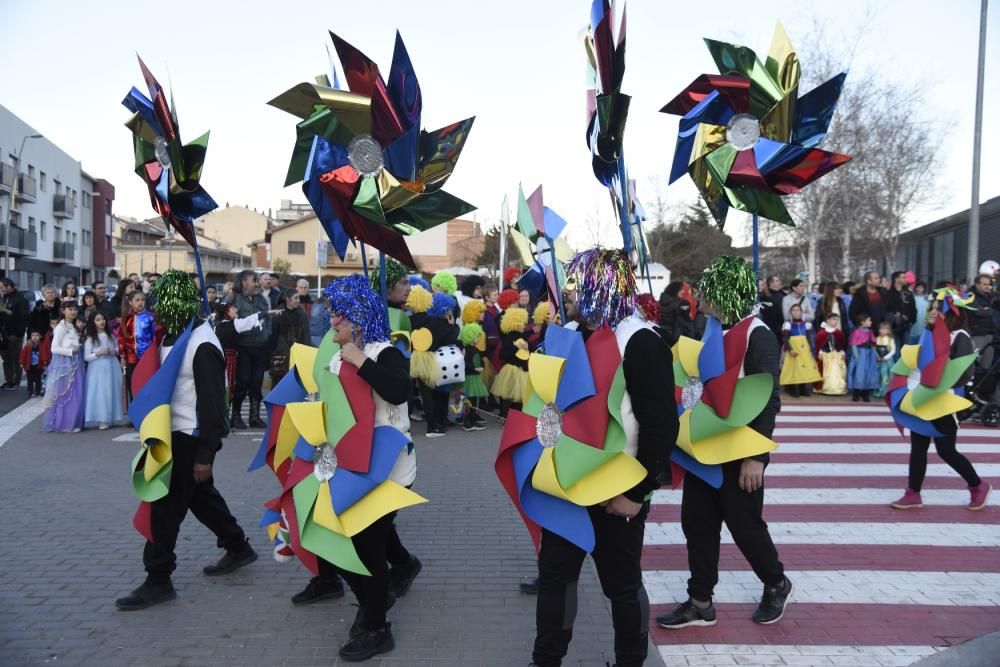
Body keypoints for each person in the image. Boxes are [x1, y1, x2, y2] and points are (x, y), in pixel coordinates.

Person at [531, 248, 677, 667]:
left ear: (603, 286)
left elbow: (661, 424)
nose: (570, 293)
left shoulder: (641, 340)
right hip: (570, 483)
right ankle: (545, 660)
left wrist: (638, 491)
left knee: (622, 586)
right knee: (556, 578)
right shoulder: (574, 334)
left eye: (578, 283)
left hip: (618, 491)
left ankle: (630, 661)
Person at [656, 255, 790, 633]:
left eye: (709, 291)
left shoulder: (757, 334)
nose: (701, 297)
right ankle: (700, 601)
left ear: (728, 293)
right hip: (706, 446)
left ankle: (776, 582)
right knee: (696, 523)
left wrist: (756, 457)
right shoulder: (713, 327)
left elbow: (767, 398)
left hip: (739, 448)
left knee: (745, 525)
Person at [116, 270, 256, 611]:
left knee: (163, 508)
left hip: (189, 436)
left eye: (161, 304)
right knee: (199, 497)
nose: (155, 311)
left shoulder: (202, 343)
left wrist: (206, 453)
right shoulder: (170, 335)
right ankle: (237, 545)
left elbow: (213, 403)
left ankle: (158, 578)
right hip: (169, 431)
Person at [302, 274, 419, 660]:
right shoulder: (335, 356)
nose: (331, 321)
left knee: (364, 546)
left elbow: (400, 391)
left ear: (357, 318)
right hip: (348, 466)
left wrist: (362, 360)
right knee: (343, 544)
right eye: (332, 314)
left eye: (338, 315)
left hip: (386, 469)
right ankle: (377, 599)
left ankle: (376, 625)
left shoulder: (385, 351)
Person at [892, 294, 992, 511]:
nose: (933, 312)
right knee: (918, 446)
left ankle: (978, 485)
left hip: (945, 399)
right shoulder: (928, 334)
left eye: (938, 308)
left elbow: (965, 372)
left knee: (946, 450)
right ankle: (913, 493)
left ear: (951, 311)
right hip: (922, 396)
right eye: (931, 308)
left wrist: (939, 382)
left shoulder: (960, 336)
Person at [230, 269, 273, 430]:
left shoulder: (261, 299)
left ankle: (254, 416)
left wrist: (266, 334)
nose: (256, 283)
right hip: (243, 347)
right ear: (244, 282)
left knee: (256, 382)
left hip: (260, 347)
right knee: (242, 382)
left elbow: (267, 318)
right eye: (253, 280)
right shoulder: (234, 299)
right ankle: (236, 416)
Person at [43, 299, 86, 432]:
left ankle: (74, 421)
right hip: (64, 364)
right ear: (63, 311)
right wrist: (71, 351)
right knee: (65, 393)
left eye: (74, 309)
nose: (73, 312)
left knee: (77, 392)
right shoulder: (60, 328)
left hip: (76, 363)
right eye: (70, 309)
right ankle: (65, 423)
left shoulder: (74, 326)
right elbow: (54, 348)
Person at [83, 312, 125, 430]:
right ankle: (102, 418)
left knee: (111, 390)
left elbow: (116, 348)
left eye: (102, 319)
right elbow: (86, 357)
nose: (101, 322)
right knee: (100, 392)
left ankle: (112, 416)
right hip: (98, 368)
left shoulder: (110, 335)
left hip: (111, 365)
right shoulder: (91, 338)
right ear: (93, 322)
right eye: (97, 320)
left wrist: (114, 352)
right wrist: (97, 353)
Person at [490, 305, 530, 416]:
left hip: (521, 370)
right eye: (521, 322)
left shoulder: (523, 337)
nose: (524, 325)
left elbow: (528, 352)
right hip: (510, 370)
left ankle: (516, 417)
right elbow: (503, 355)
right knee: (506, 395)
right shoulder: (508, 338)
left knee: (520, 397)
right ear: (515, 323)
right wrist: (516, 347)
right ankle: (504, 415)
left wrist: (528, 346)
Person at [117, 289, 155, 405]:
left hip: (147, 357)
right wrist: (123, 357)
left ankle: (148, 410)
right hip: (131, 357)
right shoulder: (127, 318)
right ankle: (135, 411)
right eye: (137, 300)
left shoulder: (151, 317)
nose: (140, 302)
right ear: (131, 302)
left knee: (147, 383)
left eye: (142, 300)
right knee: (132, 384)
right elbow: (121, 339)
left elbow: (155, 337)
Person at [269, 291, 310, 386]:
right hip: (280, 354)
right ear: (288, 299)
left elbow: (306, 334)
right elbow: (273, 335)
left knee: (294, 382)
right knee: (278, 381)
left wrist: (306, 351)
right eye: (296, 298)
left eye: (298, 298)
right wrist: (271, 353)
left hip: (297, 352)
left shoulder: (301, 313)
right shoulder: (278, 313)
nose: (298, 301)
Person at [779, 303, 820, 397]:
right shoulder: (787, 324)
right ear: (790, 313)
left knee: (804, 368)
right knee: (794, 368)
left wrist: (810, 348)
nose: (796, 312)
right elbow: (785, 338)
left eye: (798, 310)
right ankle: (793, 389)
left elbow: (809, 338)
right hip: (794, 348)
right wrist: (790, 349)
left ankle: (803, 388)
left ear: (801, 312)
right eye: (794, 310)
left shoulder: (806, 324)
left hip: (804, 349)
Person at [0, 277, 29, 389]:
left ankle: (16, 381)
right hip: (3, 334)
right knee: (6, 359)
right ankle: (8, 381)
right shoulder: (3, 298)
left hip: (15, 334)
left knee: (16, 359)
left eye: (2, 287)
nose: (0, 289)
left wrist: (18, 334)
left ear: (9, 286)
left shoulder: (20, 299)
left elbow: (23, 318)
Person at [459, 322, 488, 431]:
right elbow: (466, 363)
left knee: (473, 400)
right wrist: (475, 368)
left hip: (474, 377)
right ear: (470, 337)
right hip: (470, 377)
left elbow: (479, 360)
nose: (478, 338)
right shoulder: (468, 349)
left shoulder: (474, 349)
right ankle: (467, 421)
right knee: (469, 400)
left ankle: (471, 419)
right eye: (476, 336)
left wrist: (482, 367)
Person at [847, 313, 879, 402]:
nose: (871, 322)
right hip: (861, 355)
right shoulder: (857, 332)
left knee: (868, 373)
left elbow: (873, 345)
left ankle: (865, 393)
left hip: (869, 355)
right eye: (869, 320)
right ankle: (856, 393)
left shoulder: (870, 332)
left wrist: (876, 355)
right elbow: (853, 345)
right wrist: (857, 357)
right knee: (859, 374)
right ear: (862, 322)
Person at [814, 312, 847, 396]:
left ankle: (836, 388)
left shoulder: (838, 333)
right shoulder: (822, 333)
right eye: (833, 319)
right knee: (826, 372)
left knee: (836, 372)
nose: (835, 322)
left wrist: (842, 351)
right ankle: (826, 388)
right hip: (826, 356)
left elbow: (841, 344)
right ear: (828, 320)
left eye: (836, 320)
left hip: (836, 356)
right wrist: (820, 352)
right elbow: (819, 344)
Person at [884, 271, 916, 353]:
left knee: (907, 350)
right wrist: (897, 316)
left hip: (906, 325)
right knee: (895, 350)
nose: (906, 279)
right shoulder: (888, 294)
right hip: (894, 327)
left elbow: (913, 309)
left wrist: (910, 319)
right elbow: (885, 309)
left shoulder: (908, 293)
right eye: (903, 277)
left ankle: (905, 366)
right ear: (896, 279)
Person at [759, 275, 786, 342]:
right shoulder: (766, 298)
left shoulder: (782, 295)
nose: (779, 282)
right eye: (777, 281)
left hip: (778, 328)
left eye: (762, 285)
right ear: (770, 284)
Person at [874, 321, 896, 398]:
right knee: (878, 375)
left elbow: (893, 350)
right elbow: (874, 349)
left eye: (884, 329)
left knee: (886, 375)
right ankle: (878, 390)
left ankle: (886, 391)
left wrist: (885, 358)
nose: (881, 330)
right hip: (878, 361)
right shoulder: (876, 339)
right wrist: (877, 357)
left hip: (887, 361)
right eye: (880, 329)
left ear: (888, 330)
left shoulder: (890, 340)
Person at [19, 330, 45, 398]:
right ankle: (30, 392)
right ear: (30, 336)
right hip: (29, 366)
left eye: (37, 335)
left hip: (38, 366)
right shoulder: (28, 345)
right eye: (33, 335)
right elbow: (23, 354)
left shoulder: (42, 345)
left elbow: (44, 354)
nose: (35, 337)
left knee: (38, 380)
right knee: (30, 380)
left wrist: (45, 362)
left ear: (40, 336)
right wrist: (21, 362)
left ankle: (37, 391)